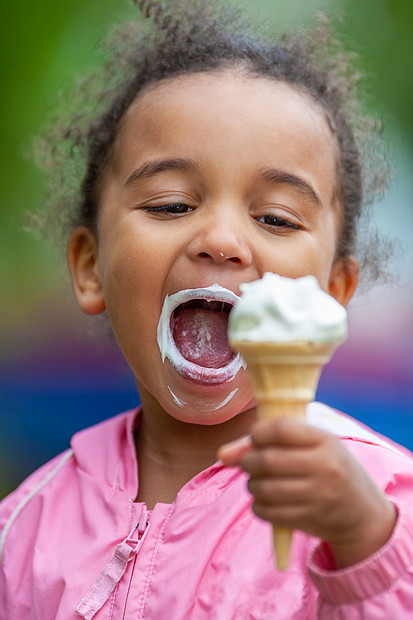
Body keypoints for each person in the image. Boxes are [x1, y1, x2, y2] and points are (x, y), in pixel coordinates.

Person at [1, 0, 413, 618]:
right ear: (91, 268)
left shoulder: (382, 501)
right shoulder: (22, 526)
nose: (221, 240)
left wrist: (365, 550)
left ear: (331, 296)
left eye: (275, 217)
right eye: (170, 205)